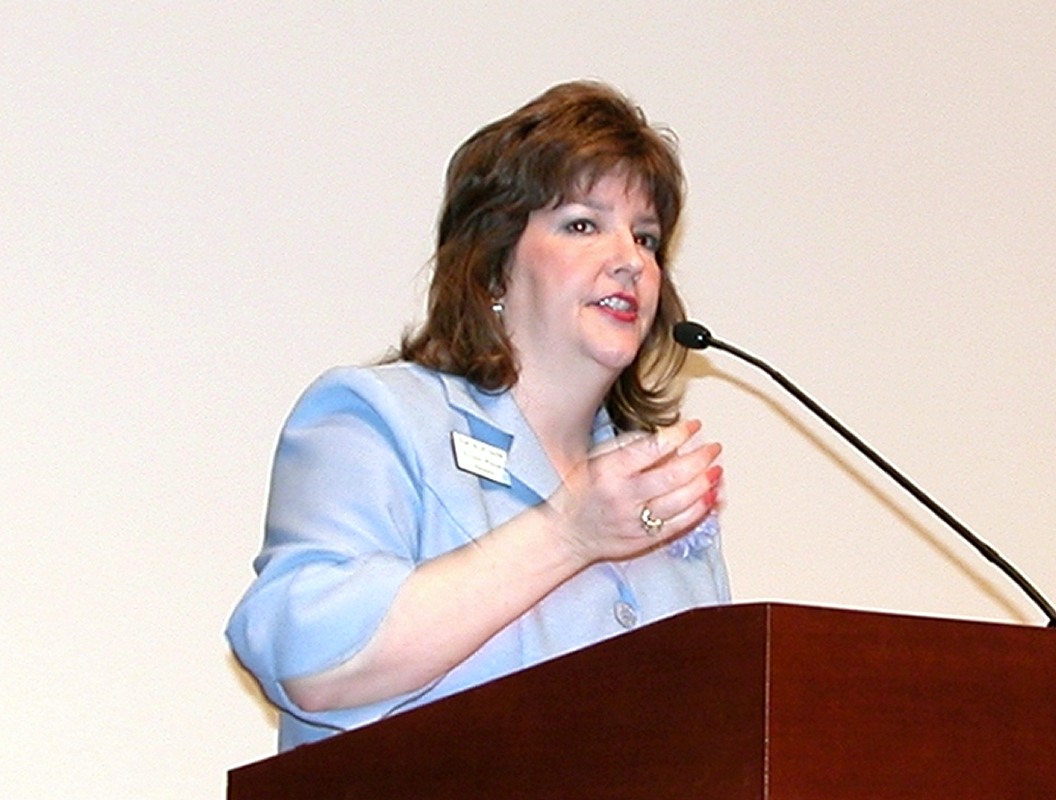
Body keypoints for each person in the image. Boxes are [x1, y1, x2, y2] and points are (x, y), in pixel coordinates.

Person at [226, 80, 730, 751]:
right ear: (493, 264)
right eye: (583, 225)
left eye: (646, 238)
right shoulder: (380, 420)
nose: (630, 261)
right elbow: (308, 660)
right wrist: (569, 533)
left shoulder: (657, 487)